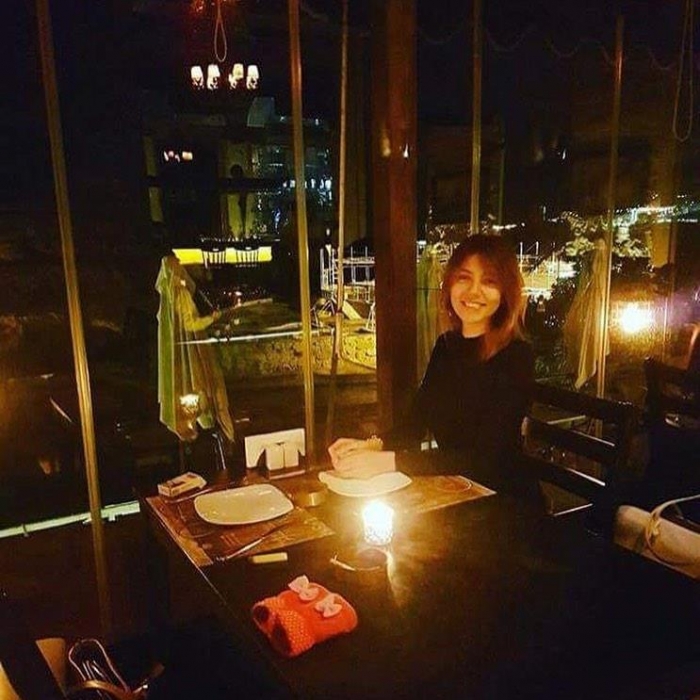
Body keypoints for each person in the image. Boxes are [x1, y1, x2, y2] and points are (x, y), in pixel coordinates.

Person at [328, 235, 536, 498]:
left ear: (505, 293)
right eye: (464, 278)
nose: (474, 291)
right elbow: (416, 423)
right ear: (449, 284)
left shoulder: (517, 356)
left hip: (504, 499)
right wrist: (372, 446)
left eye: (489, 281)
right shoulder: (447, 347)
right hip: (456, 490)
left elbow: (485, 458)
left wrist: (388, 462)